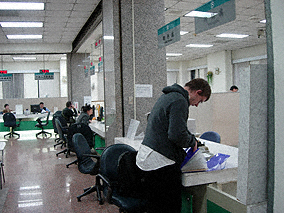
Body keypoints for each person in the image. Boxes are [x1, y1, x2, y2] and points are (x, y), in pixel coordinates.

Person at [136, 78, 211, 213]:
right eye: (200, 101)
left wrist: (191, 138)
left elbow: (178, 128)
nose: (197, 105)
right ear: (198, 92)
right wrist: (191, 142)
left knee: (155, 205)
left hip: (148, 157)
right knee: (170, 207)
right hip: (161, 162)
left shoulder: (168, 96)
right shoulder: (180, 101)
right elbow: (176, 135)